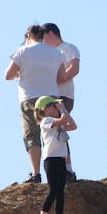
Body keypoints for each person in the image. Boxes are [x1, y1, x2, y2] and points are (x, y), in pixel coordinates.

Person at [5, 24, 67, 184]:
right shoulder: (56, 53)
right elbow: (61, 76)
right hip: (51, 97)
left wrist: (21, 73)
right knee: (58, 133)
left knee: (32, 135)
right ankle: (65, 171)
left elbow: (8, 75)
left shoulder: (22, 52)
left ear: (28, 36)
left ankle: (36, 173)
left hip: (29, 97)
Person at [32, 96, 77, 214]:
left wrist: (63, 110)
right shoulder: (46, 121)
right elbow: (63, 120)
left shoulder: (57, 122)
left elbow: (73, 125)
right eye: (52, 105)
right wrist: (62, 108)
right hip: (51, 160)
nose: (55, 107)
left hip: (60, 160)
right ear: (44, 109)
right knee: (53, 190)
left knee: (60, 192)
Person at [42, 23, 80, 180]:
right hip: (49, 96)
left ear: (50, 33)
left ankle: (68, 169)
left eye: (43, 37)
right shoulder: (48, 53)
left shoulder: (68, 48)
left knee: (60, 130)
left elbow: (74, 68)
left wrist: (56, 81)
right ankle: (60, 170)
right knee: (53, 131)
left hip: (62, 95)